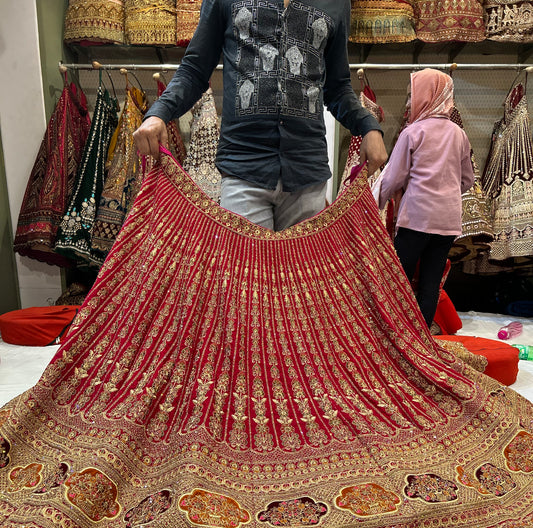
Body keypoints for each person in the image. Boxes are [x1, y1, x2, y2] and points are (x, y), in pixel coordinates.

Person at [133, 0, 387, 230]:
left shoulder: (336, 3)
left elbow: (338, 87)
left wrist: (368, 126)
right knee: (243, 280)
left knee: (300, 280)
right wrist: (158, 114)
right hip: (244, 169)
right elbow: (195, 69)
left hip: (307, 173)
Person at [378, 68, 475, 328]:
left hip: (416, 220)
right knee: (431, 284)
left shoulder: (413, 133)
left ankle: (396, 337)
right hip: (447, 223)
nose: (409, 102)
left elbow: (392, 179)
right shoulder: (459, 134)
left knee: (398, 281)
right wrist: (447, 192)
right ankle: (422, 343)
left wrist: (372, 205)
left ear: (428, 96)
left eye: (413, 95)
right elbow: (468, 180)